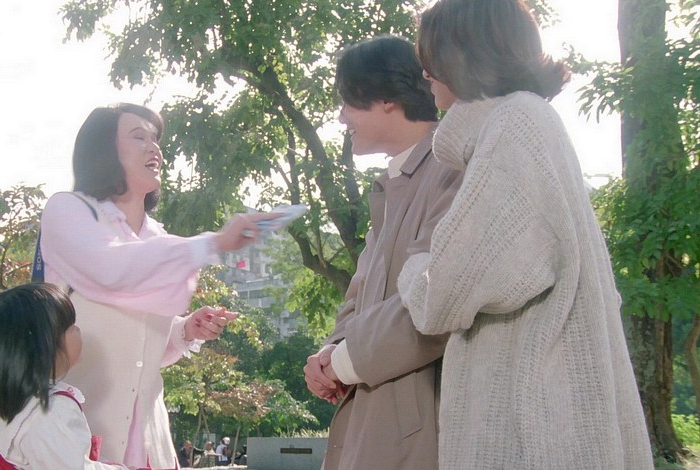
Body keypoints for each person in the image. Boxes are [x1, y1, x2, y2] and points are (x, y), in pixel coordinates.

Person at [397, 1, 654, 468]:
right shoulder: (525, 122)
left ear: (464, 55)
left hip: (531, 429)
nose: (425, 73)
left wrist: (413, 268)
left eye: (432, 58)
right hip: (551, 417)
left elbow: (442, 297)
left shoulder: (512, 128)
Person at [40, 103, 275, 469]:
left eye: (156, 140)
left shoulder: (159, 238)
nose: (155, 149)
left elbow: (140, 352)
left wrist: (184, 330)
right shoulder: (68, 210)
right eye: (139, 137)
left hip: (149, 445)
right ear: (104, 149)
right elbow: (111, 269)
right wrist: (213, 242)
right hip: (76, 437)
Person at [302, 35, 463, 470]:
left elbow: (435, 302)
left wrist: (342, 362)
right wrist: (329, 352)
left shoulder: (453, 168)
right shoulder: (393, 185)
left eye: (348, 102)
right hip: (373, 419)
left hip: (423, 429)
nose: (341, 117)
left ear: (386, 98)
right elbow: (358, 297)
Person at [0, 283, 129, 469]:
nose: (78, 330)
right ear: (41, 348)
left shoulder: (8, 404)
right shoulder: (51, 411)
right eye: (70, 326)